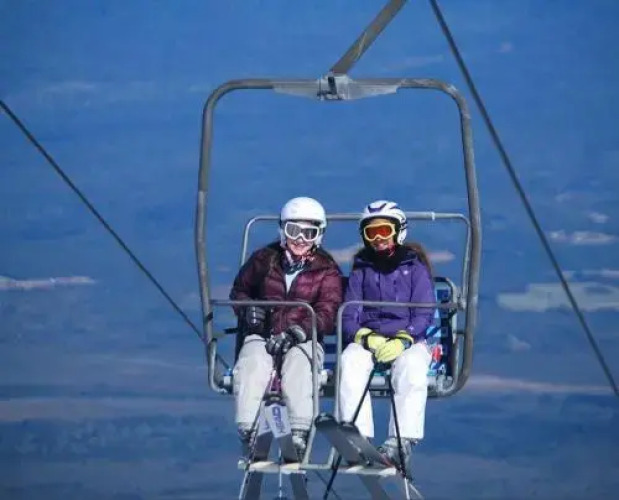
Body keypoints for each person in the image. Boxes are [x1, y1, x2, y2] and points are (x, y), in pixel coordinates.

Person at [230, 196, 343, 460]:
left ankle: (299, 430)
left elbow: (328, 310)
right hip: (265, 334)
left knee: (300, 365)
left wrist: (299, 331)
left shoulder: (326, 270)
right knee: (252, 362)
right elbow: (240, 291)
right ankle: (248, 428)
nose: (300, 239)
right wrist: (249, 311)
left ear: (318, 235)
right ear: (283, 231)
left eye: (308, 233)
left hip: (303, 338)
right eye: (294, 231)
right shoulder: (265, 260)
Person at [339, 200, 436, 470]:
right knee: (350, 360)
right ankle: (356, 435)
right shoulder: (362, 269)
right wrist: (365, 337)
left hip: (408, 340)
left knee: (412, 367)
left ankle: (401, 441)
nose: (379, 239)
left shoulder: (414, 268)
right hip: (371, 340)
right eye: (372, 233)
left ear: (398, 231)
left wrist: (405, 339)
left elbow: (424, 312)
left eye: (384, 231)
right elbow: (349, 314)